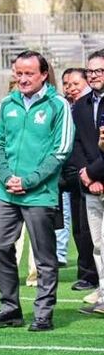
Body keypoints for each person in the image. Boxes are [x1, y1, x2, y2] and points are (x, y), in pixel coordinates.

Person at [0, 51, 73, 331]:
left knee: (44, 256)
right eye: (18, 73)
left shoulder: (58, 105)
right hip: (6, 192)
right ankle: (10, 308)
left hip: (39, 193)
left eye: (29, 73)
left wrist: (30, 180)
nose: (22, 79)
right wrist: (8, 177)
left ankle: (43, 314)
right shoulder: (7, 103)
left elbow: (61, 150)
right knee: (0, 246)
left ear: (43, 74)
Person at [72, 50, 104, 316]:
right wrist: (86, 174)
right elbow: (77, 144)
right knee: (98, 244)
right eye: (91, 71)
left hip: (99, 180)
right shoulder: (80, 106)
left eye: (99, 71)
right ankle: (103, 295)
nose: (94, 75)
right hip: (91, 186)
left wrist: (94, 173)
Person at [60, 67, 97, 291]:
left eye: (75, 83)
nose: (70, 88)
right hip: (73, 176)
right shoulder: (69, 107)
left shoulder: (90, 107)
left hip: (89, 173)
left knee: (88, 229)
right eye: (66, 84)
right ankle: (86, 273)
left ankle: (90, 275)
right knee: (78, 227)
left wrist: (89, 172)